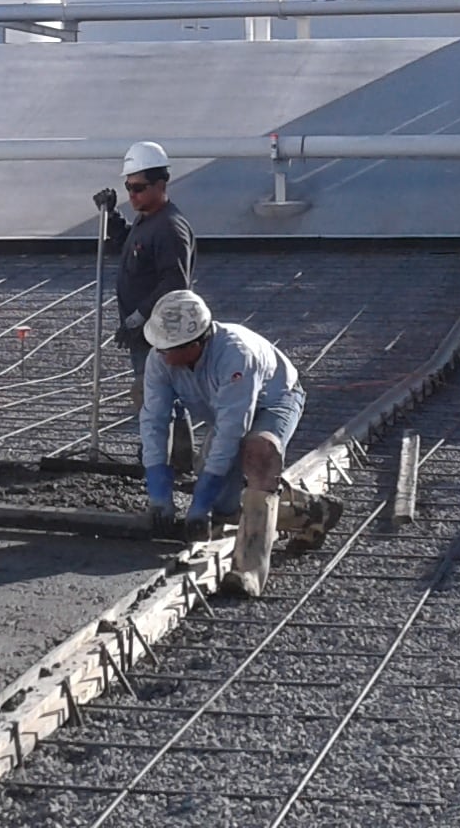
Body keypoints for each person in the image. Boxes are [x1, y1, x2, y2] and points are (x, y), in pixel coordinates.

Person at [137, 289, 342, 598]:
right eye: (159, 348)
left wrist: (201, 498)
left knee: (258, 453)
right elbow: (154, 420)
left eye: (169, 350)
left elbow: (233, 431)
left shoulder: (236, 354)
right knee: (224, 506)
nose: (162, 356)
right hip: (227, 412)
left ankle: (248, 571)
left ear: (197, 343)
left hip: (274, 401)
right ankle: (312, 513)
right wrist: (158, 491)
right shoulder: (161, 359)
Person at [98, 141, 196, 470]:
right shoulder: (146, 219)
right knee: (160, 395)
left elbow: (175, 283)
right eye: (128, 187)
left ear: (161, 185)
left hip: (162, 332)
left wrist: (138, 317)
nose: (132, 195)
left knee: (154, 396)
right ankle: (176, 459)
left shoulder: (170, 227)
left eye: (138, 188)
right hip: (145, 331)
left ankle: (158, 460)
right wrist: (111, 217)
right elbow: (129, 248)